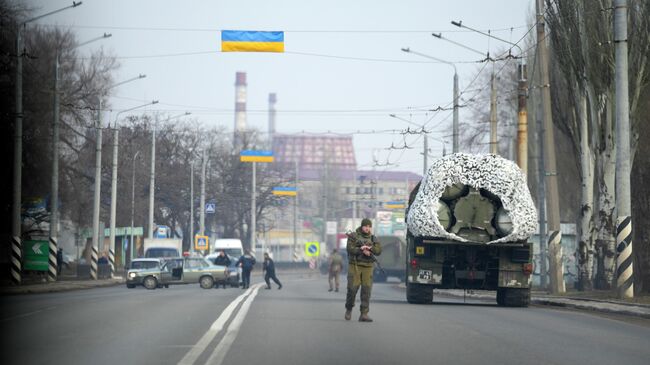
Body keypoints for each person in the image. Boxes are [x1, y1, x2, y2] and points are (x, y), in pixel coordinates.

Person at [345, 218, 381, 322]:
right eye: (365, 226)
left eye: (369, 226)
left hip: (368, 267)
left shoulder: (373, 238)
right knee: (352, 289)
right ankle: (349, 308)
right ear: (362, 226)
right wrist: (361, 250)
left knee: (366, 290)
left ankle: (364, 314)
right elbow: (350, 249)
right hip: (355, 265)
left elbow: (379, 250)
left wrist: (370, 249)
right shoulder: (354, 236)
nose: (367, 228)